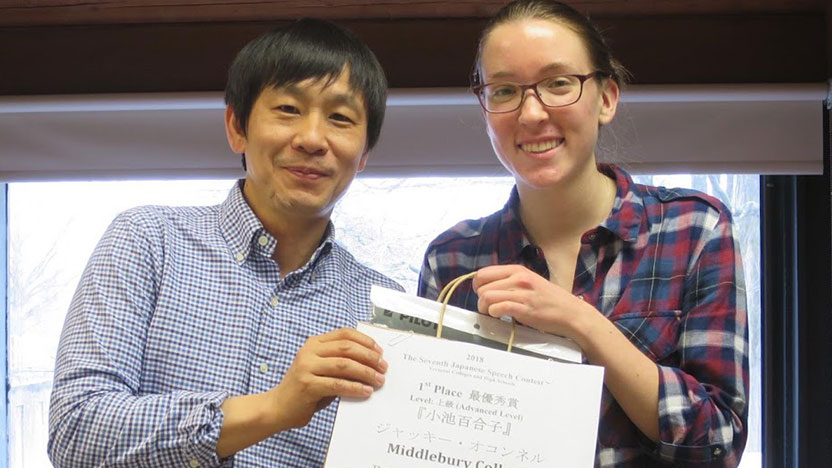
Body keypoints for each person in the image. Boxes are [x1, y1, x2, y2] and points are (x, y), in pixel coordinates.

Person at [47, 18, 401, 468]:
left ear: (364, 152)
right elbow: (75, 433)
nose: (313, 139)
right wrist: (272, 408)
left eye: (340, 118)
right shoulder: (148, 241)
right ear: (237, 126)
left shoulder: (383, 309)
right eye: (288, 109)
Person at [417, 1, 749, 466]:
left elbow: (718, 444)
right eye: (505, 90)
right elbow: (432, 438)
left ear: (606, 98)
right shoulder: (452, 259)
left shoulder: (695, 228)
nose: (532, 113)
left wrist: (582, 323)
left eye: (558, 84)